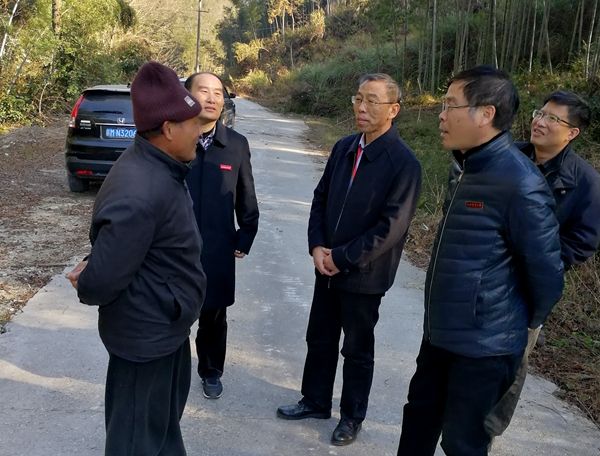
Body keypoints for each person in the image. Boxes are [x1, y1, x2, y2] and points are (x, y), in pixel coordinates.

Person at [397, 66, 564, 456]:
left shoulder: (520, 183)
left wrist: (507, 323)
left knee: (464, 443)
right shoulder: (466, 167)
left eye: (450, 105)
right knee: (418, 422)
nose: (441, 115)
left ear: (486, 113)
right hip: (441, 333)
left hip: (484, 349)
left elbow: (547, 275)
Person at [66, 61, 207, 456]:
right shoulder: (140, 187)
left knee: (160, 434)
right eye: (193, 123)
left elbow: (136, 246)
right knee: (135, 443)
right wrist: (90, 276)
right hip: (145, 340)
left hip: (165, 330)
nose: (199, 131)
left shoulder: (162, 167)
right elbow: (103, 279)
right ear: (168, 129)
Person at [277, 73, 422, 446]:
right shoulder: (344, 147)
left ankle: (352, 417)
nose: (362, 107)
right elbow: (321, 198)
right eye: (358, 98)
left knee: (357, 349)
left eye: (372, 100)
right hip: (326, 265)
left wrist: (341, 257)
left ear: (393, 110)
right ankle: (315, 400)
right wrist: (317, 246)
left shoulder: (403, 163)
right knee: (319, 337)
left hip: (364, 273)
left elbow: (391, 227)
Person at [484, 90, 600, 437]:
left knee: (511, 360)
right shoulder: (507, 156)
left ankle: (487, 431)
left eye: (552, 118)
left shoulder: (586, 183)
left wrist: (542, 265)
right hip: (483, 273)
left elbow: (583, 241)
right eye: (539, 113)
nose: (540, 122)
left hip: (528, 287)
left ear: (572, 132)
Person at [183, 72, 259, 399]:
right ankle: (169, 371)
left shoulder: (236, 145)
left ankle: (211, 370)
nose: (212, 98)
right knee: (173, 311)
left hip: (217, 245)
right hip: (176, 247)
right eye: (204, 91)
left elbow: (246, 195)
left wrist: (246, 234)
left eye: (218, 93)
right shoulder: (172, 138)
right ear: (187, 96)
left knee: (214, 314)